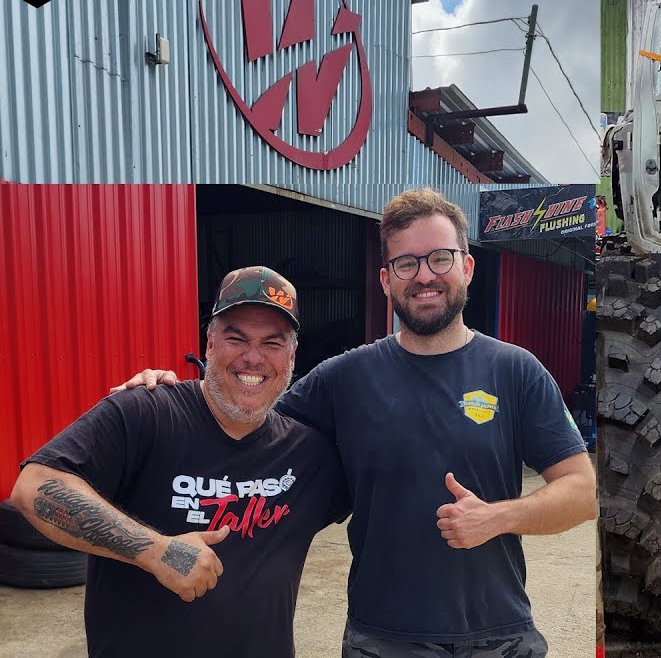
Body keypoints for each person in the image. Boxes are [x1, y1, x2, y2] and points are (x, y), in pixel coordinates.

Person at [117, 188, 596, 658]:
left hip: (500, 633)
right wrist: (173, 393)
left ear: (467, 268)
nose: (424, 276)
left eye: (440, 259)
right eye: (406, 264)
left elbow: (582, 491)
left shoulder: (516, 371)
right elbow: (244, 416)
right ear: (386, 281)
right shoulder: (344, 377)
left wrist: (498, 517)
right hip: (383, 637)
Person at [11, 266, 349, 658]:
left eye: (272, 343)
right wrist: (156, 551)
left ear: (292, 354)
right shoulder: (146, 413)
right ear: (209, 342)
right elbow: (34, 488)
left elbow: (385, 491)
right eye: (236, 338)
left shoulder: (308, 453)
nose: (253, 358)